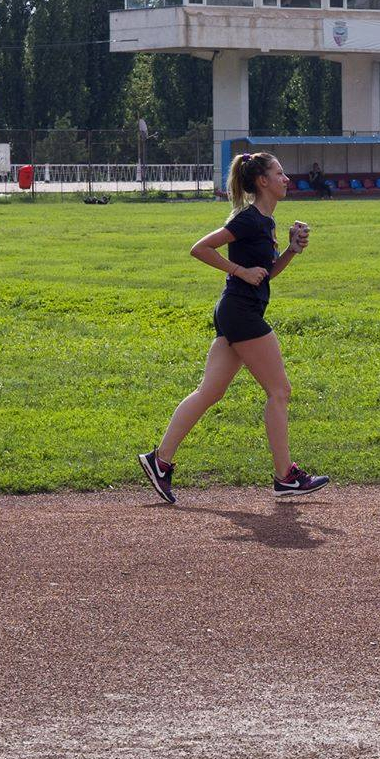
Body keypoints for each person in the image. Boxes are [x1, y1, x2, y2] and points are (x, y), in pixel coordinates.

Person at [139, 153, 330, 504]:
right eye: (279, 172)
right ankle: (285, 474)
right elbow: (200, 248)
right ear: (262, 181)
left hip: (236, 310)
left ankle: (159, 461)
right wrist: (239, 271)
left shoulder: (266, 223)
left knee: (209, 392)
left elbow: (265, 274)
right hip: (241, 313)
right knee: (280, 391)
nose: (286, 178)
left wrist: (290, 250)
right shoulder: (248, 220)